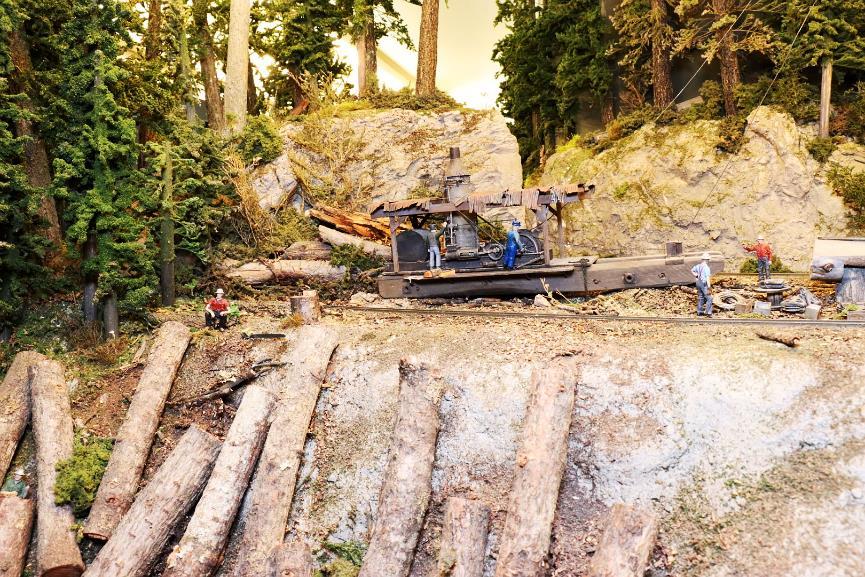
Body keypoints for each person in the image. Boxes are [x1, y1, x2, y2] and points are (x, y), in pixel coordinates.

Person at [691, 252, 713, 317]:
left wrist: (696, 275)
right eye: (708, 260)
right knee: (709, 298)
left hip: (698, 283)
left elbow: (692, 270)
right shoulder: (707, 268)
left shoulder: (698, 266)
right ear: (707, 260)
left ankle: (699, 311)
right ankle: (708, 312)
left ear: (702, 259)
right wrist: (709, 287)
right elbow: (707, 278)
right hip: (704, 283)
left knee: (701, 297)